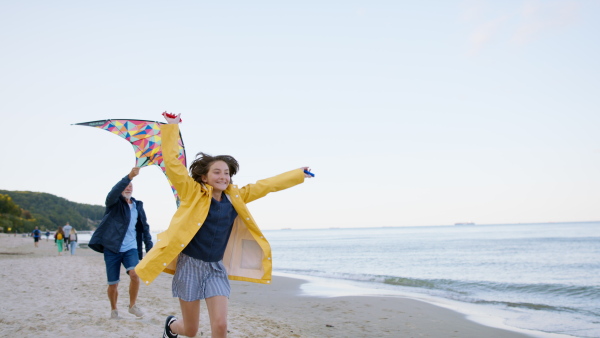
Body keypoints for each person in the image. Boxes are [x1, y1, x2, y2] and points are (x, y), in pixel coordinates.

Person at [135, 113, 313, 338]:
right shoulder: (192, 193)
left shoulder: (235, 196)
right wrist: (172, 128)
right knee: (190, 330)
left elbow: (266, 186)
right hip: (190, 266)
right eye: (217, 172)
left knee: (220, 326)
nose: (223, 177)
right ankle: (171, 326)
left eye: (226, 173)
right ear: (204, 177)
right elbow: (173, 165)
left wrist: (298, 174)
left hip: (215, 269)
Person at [88, 167, 154, 319]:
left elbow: (144, 227)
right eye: (126, 185)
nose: (128, 187)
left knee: (135, 274)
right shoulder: (114, 203)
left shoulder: (138, 206)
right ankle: (114, 309)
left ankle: (132, 306)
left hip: (130, 248)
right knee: (113, 283)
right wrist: (129, 176)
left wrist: (149, 248)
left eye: (131, 186)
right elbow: (112, 194)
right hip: (112, 247)